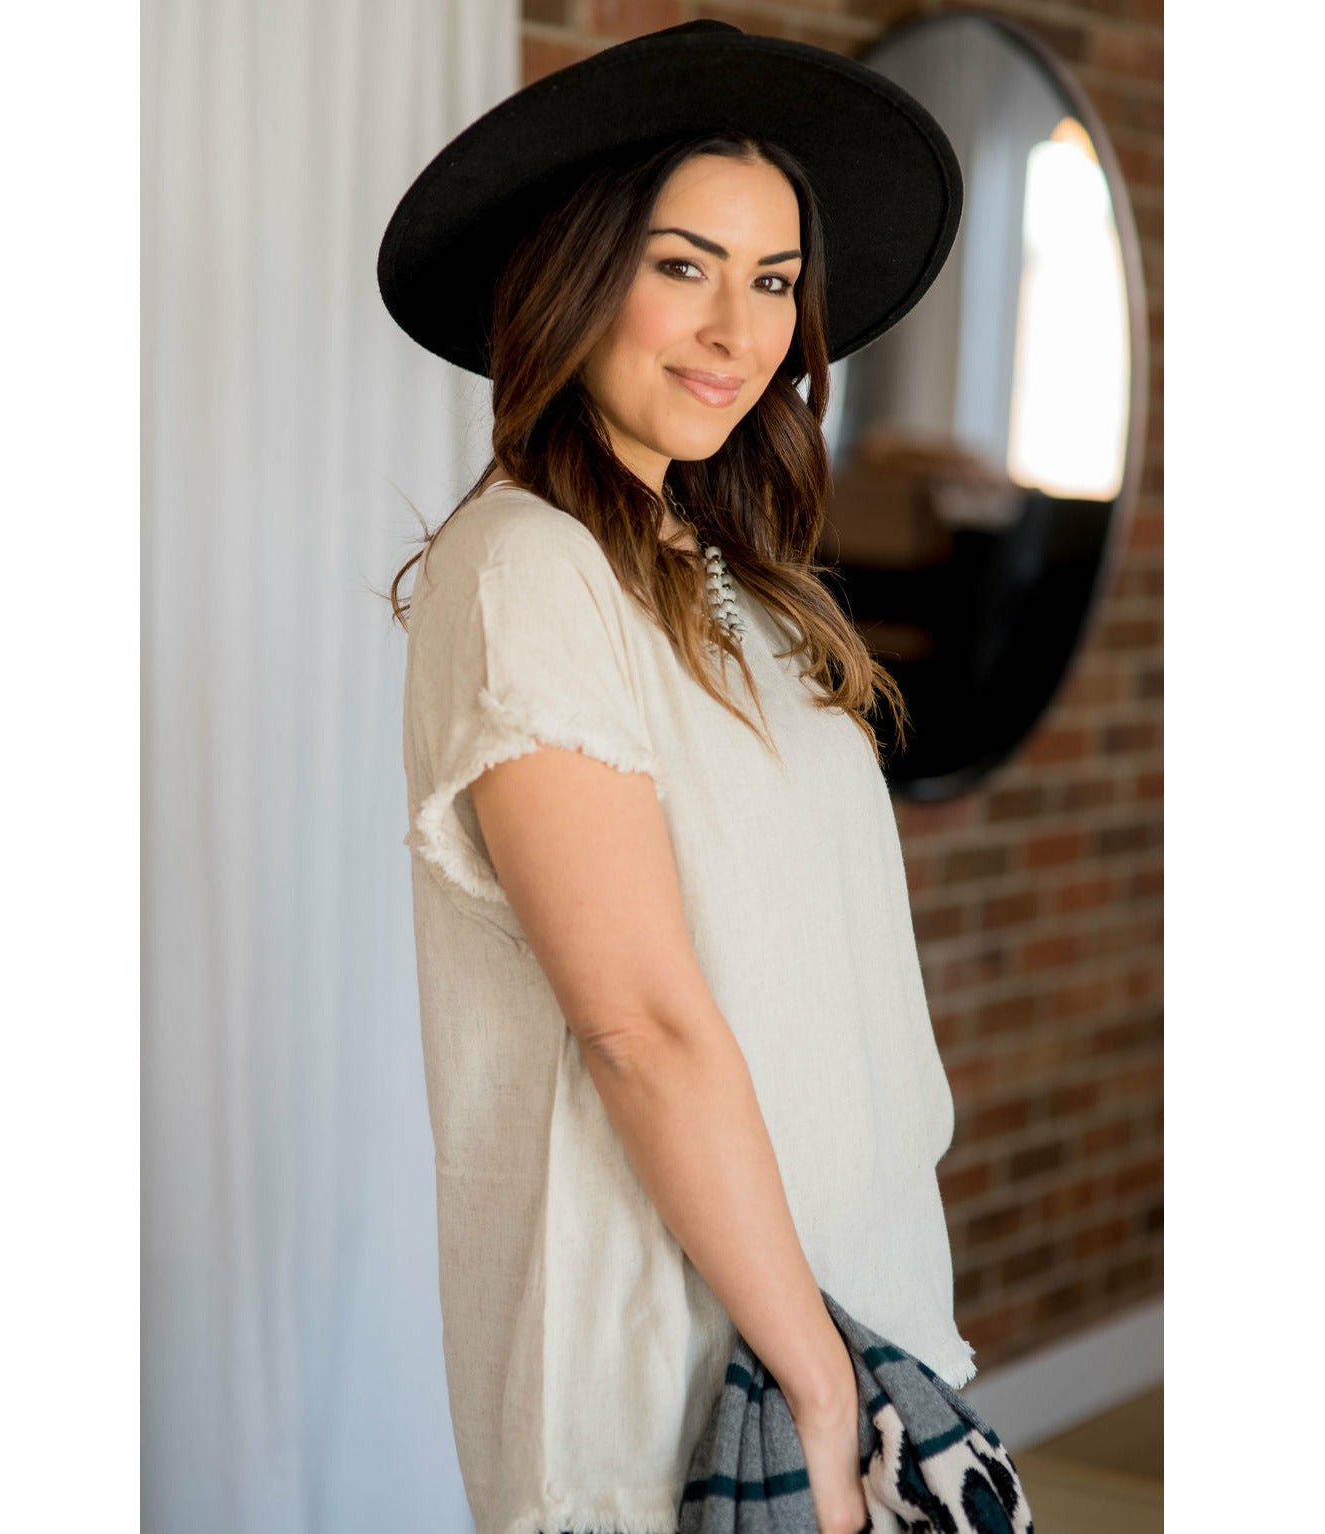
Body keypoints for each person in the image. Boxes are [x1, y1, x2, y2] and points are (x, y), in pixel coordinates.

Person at [380, 21, 972, 1534]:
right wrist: (817, 1390)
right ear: (577, 277)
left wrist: (859, 1362)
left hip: (846, 1312)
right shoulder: (526, 568)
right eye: (682, 266)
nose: (735, 328)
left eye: (773, 281)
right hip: (683, 1367)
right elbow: (636, 1021)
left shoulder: (727, 569)